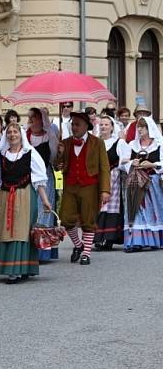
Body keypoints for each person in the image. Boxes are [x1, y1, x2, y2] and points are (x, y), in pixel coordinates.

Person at [0, 123, 52, 283]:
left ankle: (20, 269)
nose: (12, 135)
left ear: (21, 135)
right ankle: (11, 267)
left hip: (25, 195)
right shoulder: (1, 155)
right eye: (9, 132)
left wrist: (45, 200)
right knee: (6, 230)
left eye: (15, 132)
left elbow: (39, 179)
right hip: (6, 196)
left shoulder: (30, 153)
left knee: (22, 231)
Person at [54, 111, 111, 266]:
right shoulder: (65, 143)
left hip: (90, 186)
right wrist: (59, 155)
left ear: (86, 126)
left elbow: (104, 167)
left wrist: (105, 190)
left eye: (77, 124)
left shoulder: (97, 143)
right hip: (70, 185)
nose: (74, 127)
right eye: (72, 124)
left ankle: (86, 253)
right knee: (66, 219)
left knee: (88, 220)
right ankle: (79, 245)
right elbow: (57, 166)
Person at [121, 116, 163, 252]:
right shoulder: (132, 145)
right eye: (139, 127)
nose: (139, 129)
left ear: (149, 128)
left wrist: (153, 164)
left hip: (152, 184)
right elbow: (122, 163)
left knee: (152, 212)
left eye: (143, 127)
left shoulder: (159, 144)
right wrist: (131, 163)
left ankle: (153, 241)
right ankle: (135, 242)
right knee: (136, 211)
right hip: (135, 183)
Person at [26, 107, 60, 262]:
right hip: (27, 176)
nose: (31, 120)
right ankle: (29, 249)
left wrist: (60, 152)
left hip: (45, 176)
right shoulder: (25, 135)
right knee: (30, 211)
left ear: (41, 119)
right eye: (30, 117)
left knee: (44, 211)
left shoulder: (49, 136)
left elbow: (53, 158)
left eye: (34, 117)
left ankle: (43, 252)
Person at [94, 116, 126, 252]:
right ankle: (97, 238)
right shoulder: (94, 143)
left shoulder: (118, 143)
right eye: (101, 124)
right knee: (98, 207)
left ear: (112, 127)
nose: (103, 127)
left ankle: (109, 238)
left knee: (111, 208)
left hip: (113, 178)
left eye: (106, 124)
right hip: (97, 178)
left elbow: (124, 160)